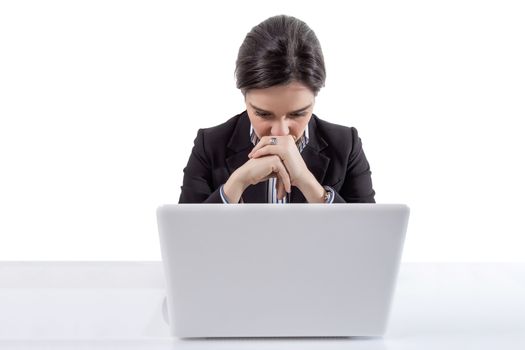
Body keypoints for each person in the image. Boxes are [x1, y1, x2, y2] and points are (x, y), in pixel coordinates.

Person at [178, 15, 376, 204]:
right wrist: (235, 185)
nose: (280, 132)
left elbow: (371, 236)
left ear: (315, 98)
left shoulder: (345, 146)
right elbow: (182, 236)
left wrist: (310, 185)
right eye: (263, 114)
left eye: (297, 114)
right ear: (244, 97)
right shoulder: (210, 146)